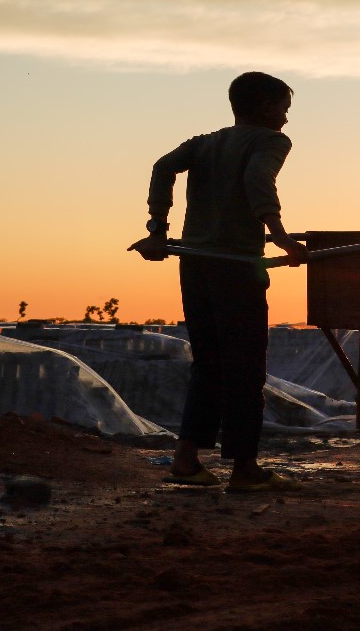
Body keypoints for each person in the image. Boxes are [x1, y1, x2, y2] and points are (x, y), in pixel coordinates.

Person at [129, 71, 310, 492]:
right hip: (235, 267)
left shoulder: (205, 143)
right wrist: (280, 236)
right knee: (245, 368)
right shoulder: (270, 141)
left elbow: (161, 167)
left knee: (208, 365)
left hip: (195, 264)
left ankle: (187, 461)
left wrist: (158, 229)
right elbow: (256, 180)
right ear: (266, 108)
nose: (286, 119)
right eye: (283, 109)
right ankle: (244, 469)